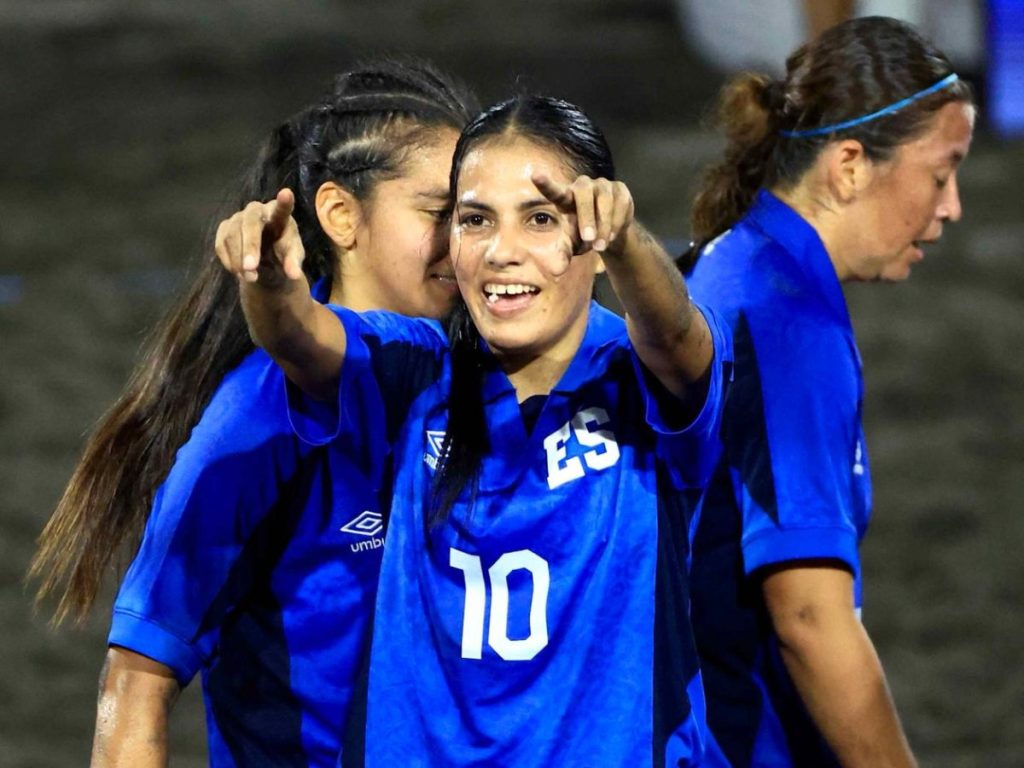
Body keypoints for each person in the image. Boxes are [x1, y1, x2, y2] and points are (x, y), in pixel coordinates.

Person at [221, 95, 731, 767]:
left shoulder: (638, 381)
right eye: (475, 220)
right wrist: (266, 282)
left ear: (596, 238)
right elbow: (297, 337)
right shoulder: (413, 370)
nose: (501, 253)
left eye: (542, 219)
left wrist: (630, 244)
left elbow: (675, 335)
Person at [29, 58, 477, 767]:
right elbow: (138, 675)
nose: (467, 241)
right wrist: (271, 292)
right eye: (438, 213)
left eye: (474, 215)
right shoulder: (259, 414)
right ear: (339, 215)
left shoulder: (479, 371)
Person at [682, 16, 974, 768]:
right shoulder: (786, 325)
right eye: (941, 174)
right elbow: (808, 615)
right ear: (849, 165)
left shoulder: (732, 261)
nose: (951, 208)